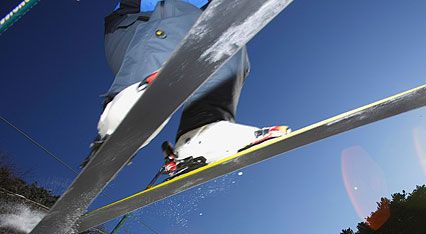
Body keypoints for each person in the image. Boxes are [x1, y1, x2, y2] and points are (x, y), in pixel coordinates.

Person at [87, 0, 289, 174]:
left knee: (231, 43)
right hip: (135, 28)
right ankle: (126, 106)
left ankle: (201, 133)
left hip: (186, 35)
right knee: (182, 13)